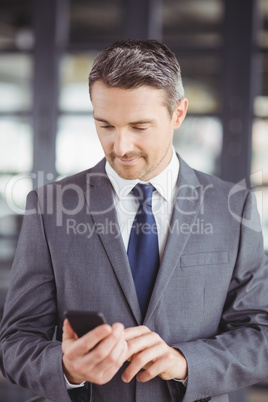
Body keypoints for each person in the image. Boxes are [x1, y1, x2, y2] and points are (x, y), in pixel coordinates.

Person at [0, 39, 268, 402]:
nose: (120, 147)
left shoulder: (232, 209)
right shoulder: (49, 207)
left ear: (178, 114)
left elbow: (260, 334)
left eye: (139, 127)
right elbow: (15, 344)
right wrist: (67, 367)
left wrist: (185, 362)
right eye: (105, 125)